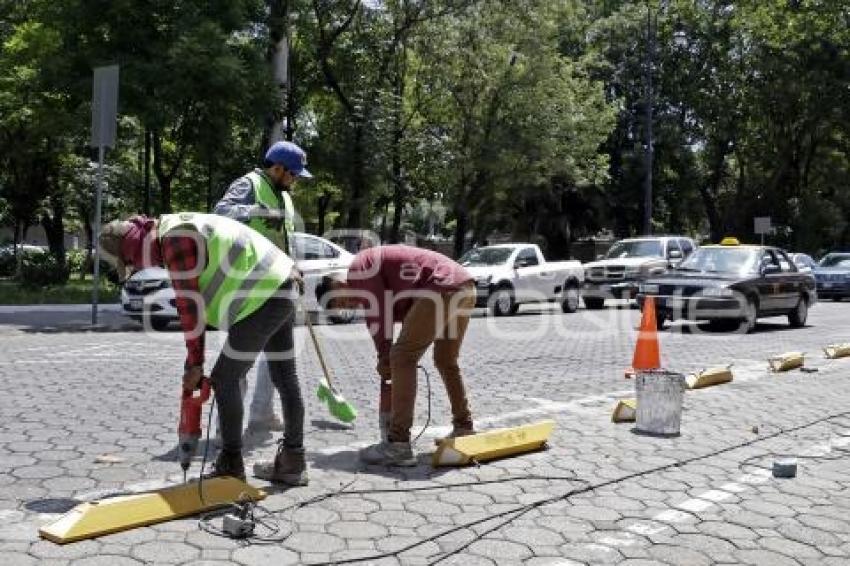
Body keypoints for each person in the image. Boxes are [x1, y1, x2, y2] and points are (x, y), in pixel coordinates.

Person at [98, 213, 308, 485]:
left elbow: (189, 308)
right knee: (284, 376)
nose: (134, 266)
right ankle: (293, 462)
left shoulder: (174, 239)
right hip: (283, 282)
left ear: (131, 248)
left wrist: (195, 364)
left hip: (264, 295)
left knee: (225, 379)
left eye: (129, 261)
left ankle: (231, 466)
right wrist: (193, 363)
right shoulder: (175, 226)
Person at [317, 245, 476, 466]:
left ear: (340, 285)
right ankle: (464, 426)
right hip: (464, 285)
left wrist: (385, 356)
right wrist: (386, 355)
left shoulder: (358, 269)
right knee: (445, 360)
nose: (350, 306)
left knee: (401, 358)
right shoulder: (368, 273)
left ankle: (398, 444)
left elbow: (379, 313)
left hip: (442, 287)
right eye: (344, 308)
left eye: (343, 301)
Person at [214, 141, 312, 432]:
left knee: (278, 360)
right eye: (293, 174)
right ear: (277, 168)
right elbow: (221, 212)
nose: (295, 180)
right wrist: (256, 212)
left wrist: (294, 268)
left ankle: (262, 413)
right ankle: (226, 429)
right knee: (240, 360)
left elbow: (284, 239)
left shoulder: (285, 196)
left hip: (281, 287)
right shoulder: (250, 184)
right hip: (250, 289)